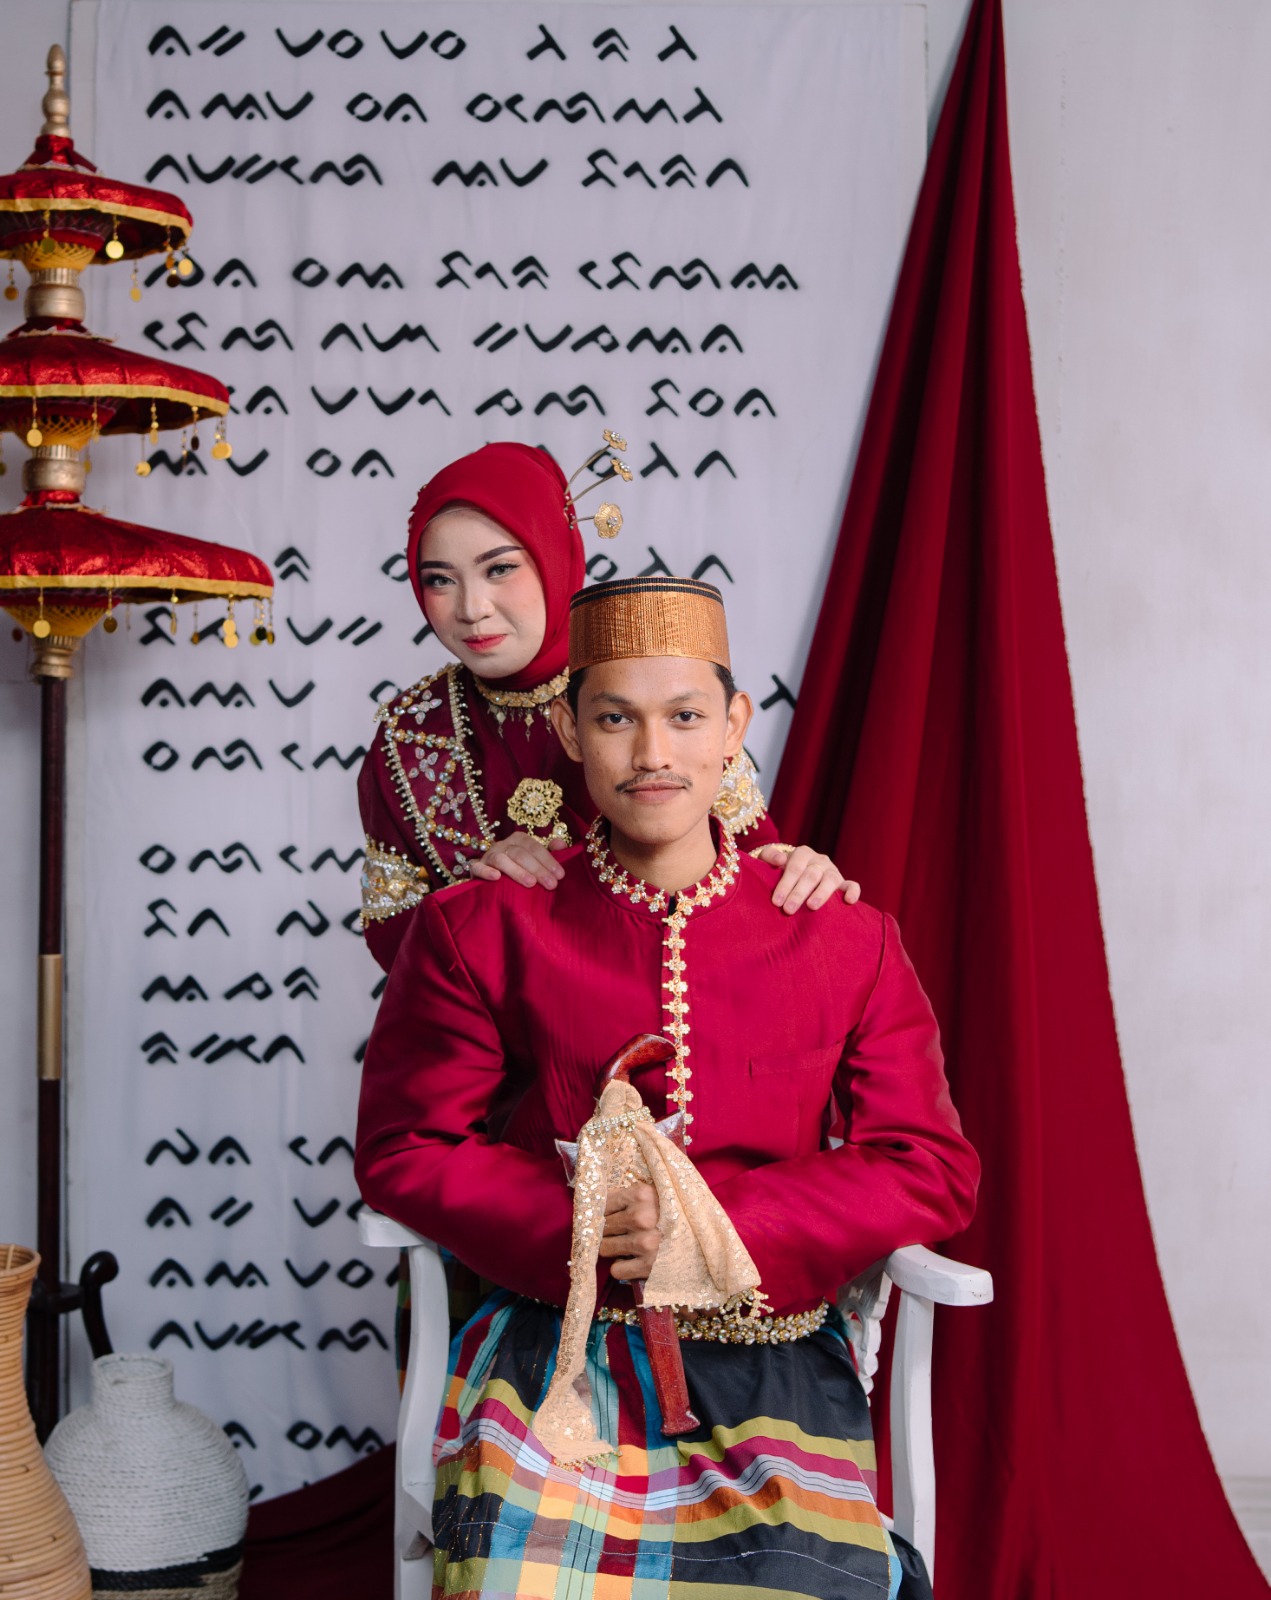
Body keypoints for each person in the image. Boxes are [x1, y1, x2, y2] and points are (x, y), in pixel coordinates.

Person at [355, 574, 979, 1599]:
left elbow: (928, 1166)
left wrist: (717, 1226)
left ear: (733, 726)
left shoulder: (841, 936)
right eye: (615, 718)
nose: (652, 752)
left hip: (772, 1352)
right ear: (569, 730)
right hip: (555, 1350)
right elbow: (405, 1148)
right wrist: (584, 1229)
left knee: (794, 1582)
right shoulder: (485, 925)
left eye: (685, 717)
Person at [357, 436, 859, 975]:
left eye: (499, 569)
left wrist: (798, 872)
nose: (472, 608)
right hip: (495, 1021)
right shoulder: (412, 734)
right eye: (439, 580)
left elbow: (754, 871)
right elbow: (392, 932)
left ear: (555, 553)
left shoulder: (653, 676)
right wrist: (480, 897)